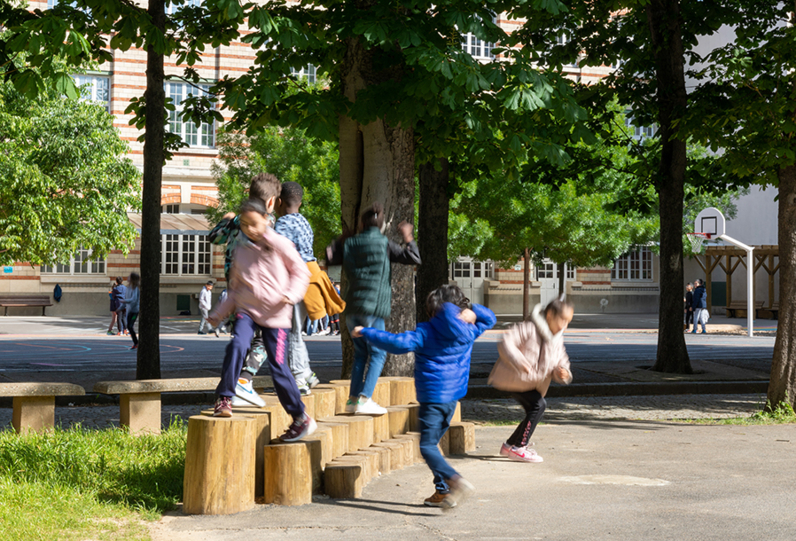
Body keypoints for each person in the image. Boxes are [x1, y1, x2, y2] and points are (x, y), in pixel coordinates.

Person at [352, 284, 496, 509]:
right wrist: (475, 311)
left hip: (432, 397)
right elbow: (490, 319)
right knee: (433, 445)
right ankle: (442, 490)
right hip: (452, 399)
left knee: (427, 446)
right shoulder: (469, 329)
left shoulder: (426, 332)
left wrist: (367, 332)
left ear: (433, 310)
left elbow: (396, 343)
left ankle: (455, 480)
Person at [207, 195, 315, 442]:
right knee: (238, 344)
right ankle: (225, 397)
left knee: (279, 368)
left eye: (254, 223)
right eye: (244, 224)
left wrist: (291, 294)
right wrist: (218, 313)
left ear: (266, 219)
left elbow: (301, 272)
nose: (250, 229)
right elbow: (235, 289)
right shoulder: (241, 250)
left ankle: (301, 418)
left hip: (276, 317)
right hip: (247, 311)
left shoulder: (281, 244)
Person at [326, 202, 422, 415]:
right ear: (382, 225)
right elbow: (414, 258)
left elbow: (330, 257)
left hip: (352, 306)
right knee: (378, 352)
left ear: (361, 223)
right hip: (373, 308)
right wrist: (407, 236)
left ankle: (352, 401)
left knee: (360, 353)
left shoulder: (350, 243)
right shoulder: (384, 243)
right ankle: (364, 398)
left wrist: (341, 239)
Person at [208, 173, 278, 406]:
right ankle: (243, 381)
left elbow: (213, 238)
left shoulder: (237, 221)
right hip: (260, 291)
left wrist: (226, 219)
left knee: (241, 340)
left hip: (235, 289)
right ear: (270, 203)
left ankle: (230, 393)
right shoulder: (268, 222)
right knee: (265, 339)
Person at [274, 181, 344, 394]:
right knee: (298, 330)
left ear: (278, 201)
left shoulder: (281, 225)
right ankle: (306, 373)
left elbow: (281, 256)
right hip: (312, 277)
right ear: (301, 203)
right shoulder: (305, 222)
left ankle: (298, 378)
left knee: (293, 332)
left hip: (295, 279)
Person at [488, 296, 574, 464]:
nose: (564, 325)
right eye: (562, 320)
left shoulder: (557, 339)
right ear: (549, 315)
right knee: (538, 405)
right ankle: (519, 447)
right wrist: (519, 361)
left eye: (568, 321)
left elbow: (561, 359)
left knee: (534, 410)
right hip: (515, 379)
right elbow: (506, 342)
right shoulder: (529, 328)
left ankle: (509, 445)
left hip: (532, 384)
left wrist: (563, 372)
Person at [120, 272, 140, 350]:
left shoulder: (135, 289)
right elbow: (126, 298)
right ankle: (136, 342)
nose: (127, 277)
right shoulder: (128, 288)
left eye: (129, 277)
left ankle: (136, 343)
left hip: (135, 311)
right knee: (128, 326)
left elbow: (134, 299)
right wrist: (121, 307)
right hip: (129, 311)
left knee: (130, 326)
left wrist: (125, 301)